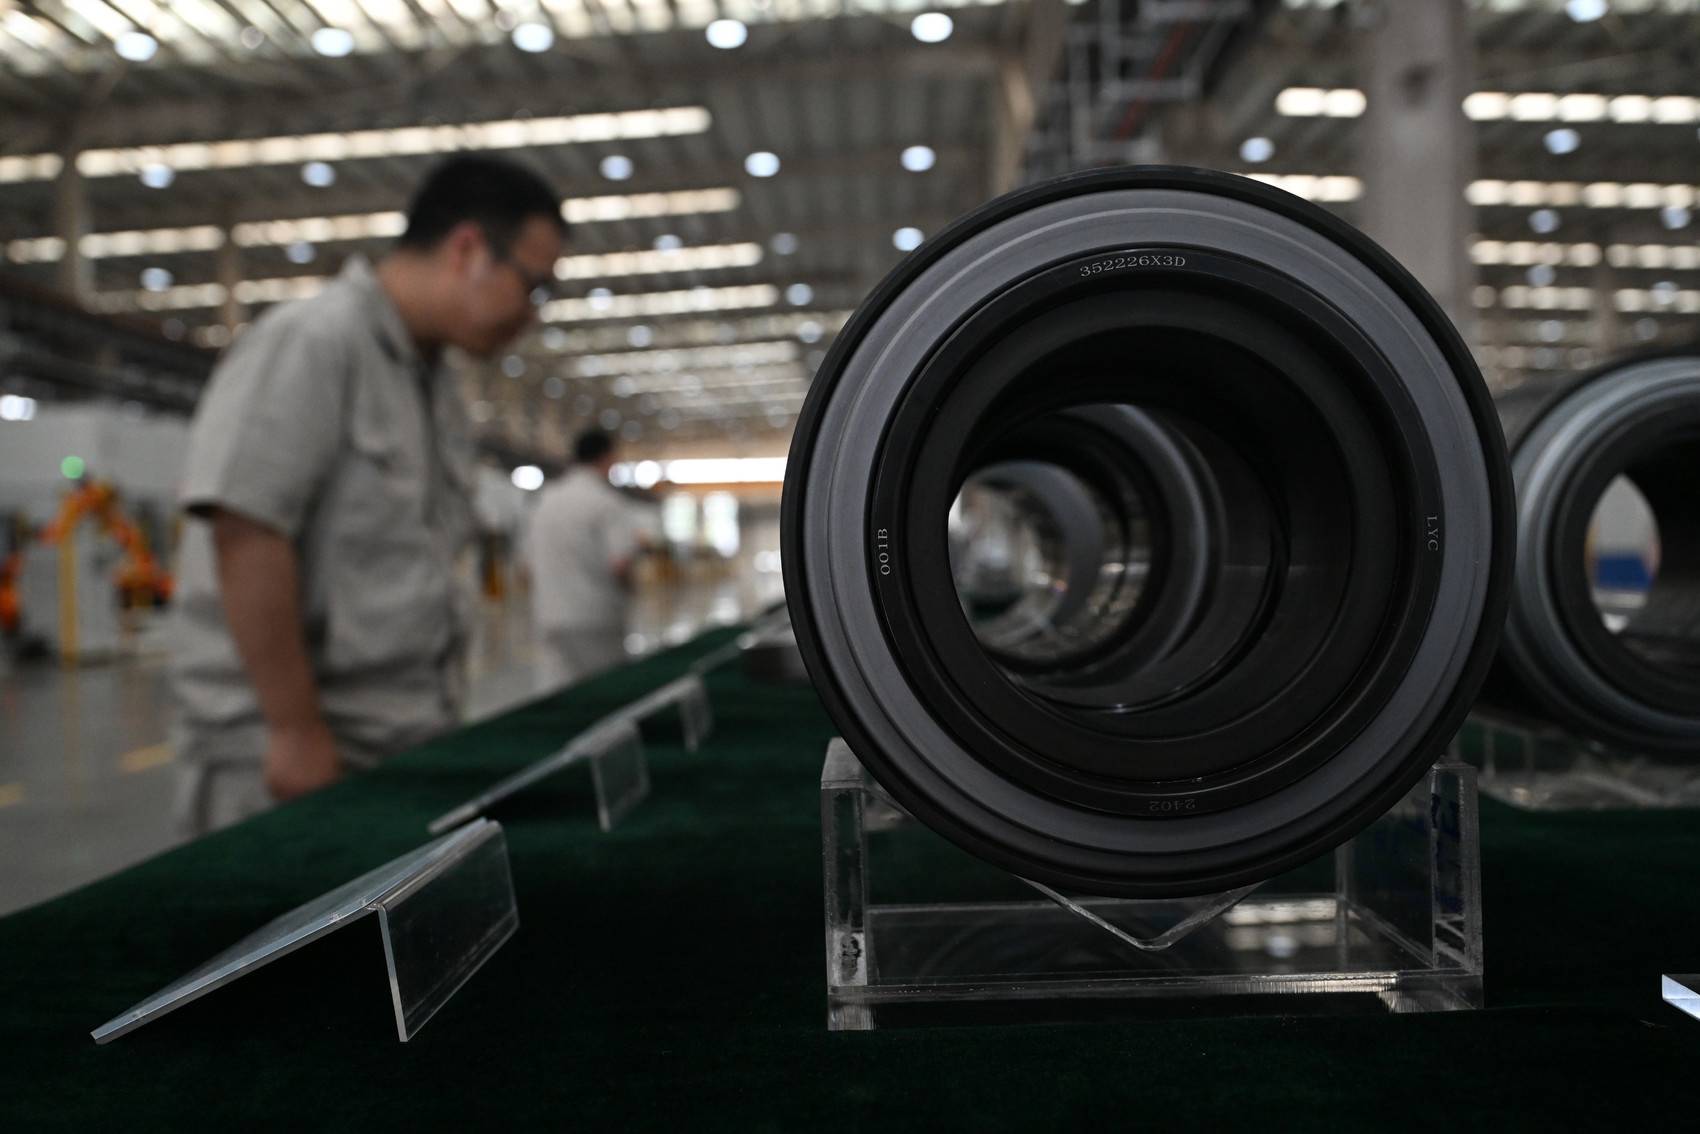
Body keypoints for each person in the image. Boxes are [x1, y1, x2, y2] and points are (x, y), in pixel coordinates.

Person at [169, 154, 568, 834]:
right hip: (291, 759)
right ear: (467, 249)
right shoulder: (313, 342)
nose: (532, 314)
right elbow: (245, 530)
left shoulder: (435, 383)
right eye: (534, 286)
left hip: (394, 741)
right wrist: (294, 729)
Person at [525, 430, 643, 690]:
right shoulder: (606, 502)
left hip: (551, 616)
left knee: (560, 695)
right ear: (607, 457)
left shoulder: (545, 501)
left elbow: (528, 559)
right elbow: (620, 564)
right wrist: (632, 589)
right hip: (596, 617)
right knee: (605, 694)